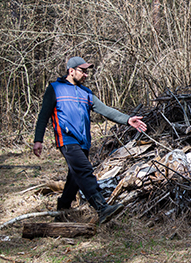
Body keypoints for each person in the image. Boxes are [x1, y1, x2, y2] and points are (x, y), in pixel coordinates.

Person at [33, 56, 147, 224]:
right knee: (85, 171)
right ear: (71, 71)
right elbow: (43, 115)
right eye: (83, 71)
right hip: (67, 139)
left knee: (75, 177)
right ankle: (101, 208)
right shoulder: (55, 89)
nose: (86, 75)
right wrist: (38, 140)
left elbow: (105, 110)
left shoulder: (86, 93)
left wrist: (127, 119)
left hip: (83, 141)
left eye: (87, 71)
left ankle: (62, 210)